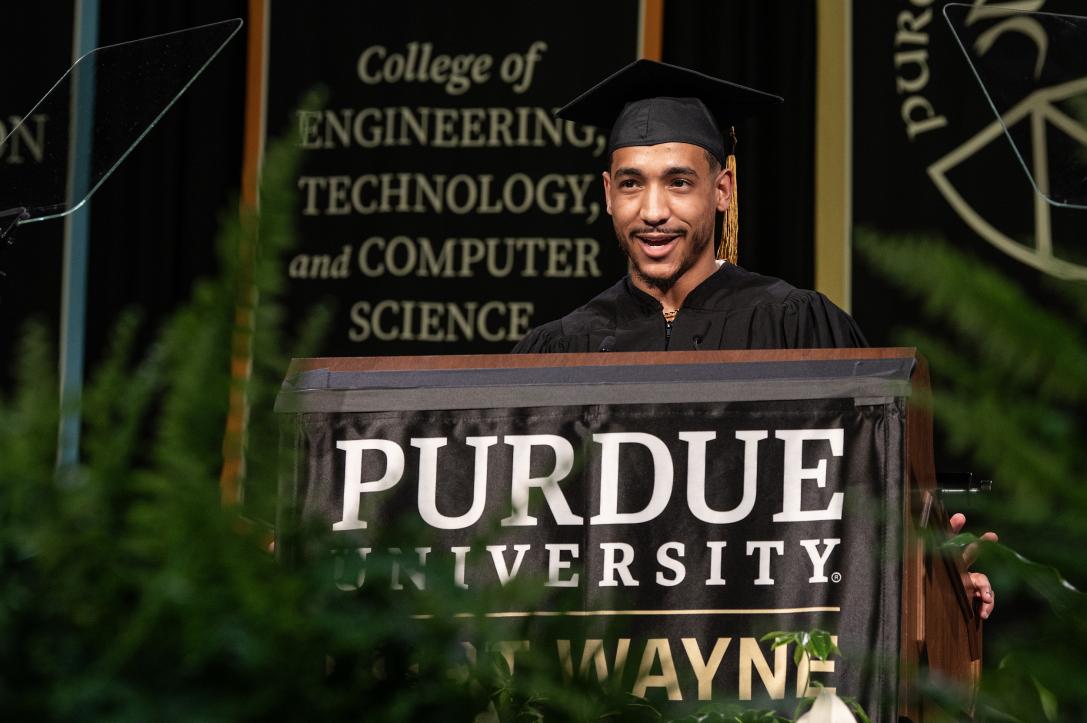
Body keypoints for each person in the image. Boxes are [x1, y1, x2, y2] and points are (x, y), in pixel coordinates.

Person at [512, 59, 996, 619]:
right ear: (606, 193)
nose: (652, 211)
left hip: (761, 649)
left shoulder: (796, 326)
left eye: (678, 183)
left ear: (723, 190)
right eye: (631, 184)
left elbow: (870, 495)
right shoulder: (559, 349)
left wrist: (931, 571)